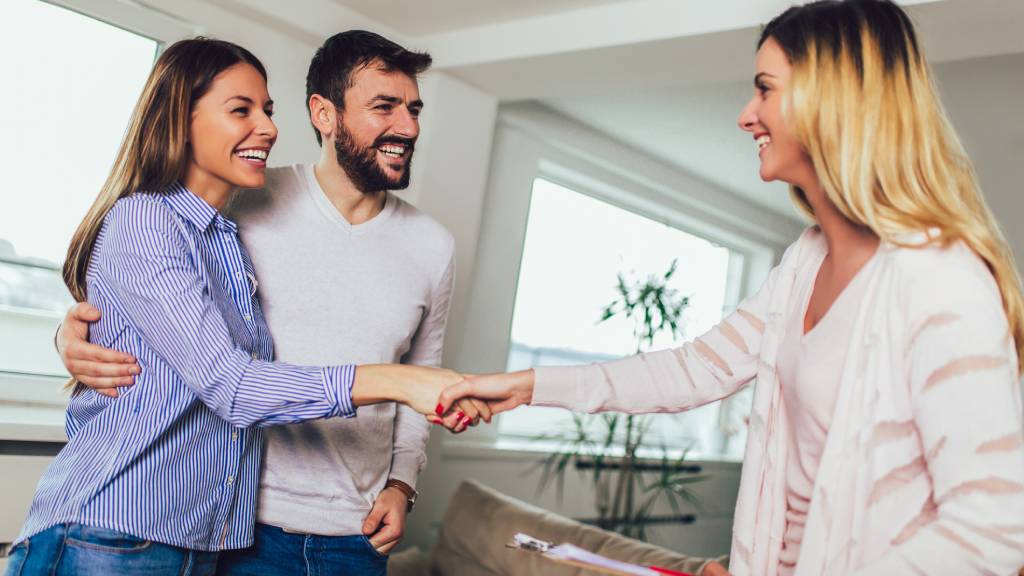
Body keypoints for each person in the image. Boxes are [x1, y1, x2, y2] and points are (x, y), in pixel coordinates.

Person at [439, 1, 1024, 574]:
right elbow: (694, 369)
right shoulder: (805, 260)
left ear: (833, 100)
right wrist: (527, 386)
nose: (746, 115)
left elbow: (992, 532)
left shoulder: (939, 276)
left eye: (765, 88)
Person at [5, 38, 476, 576]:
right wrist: (70, 333)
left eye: (414, 109)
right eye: (384, 106)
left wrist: (402, 481)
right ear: (324, 113)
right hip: (152, 529)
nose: (409, 126)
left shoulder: (223, 228)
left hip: (223, 532)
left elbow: (158, 323)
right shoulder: (220, 204)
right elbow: (227, 380)